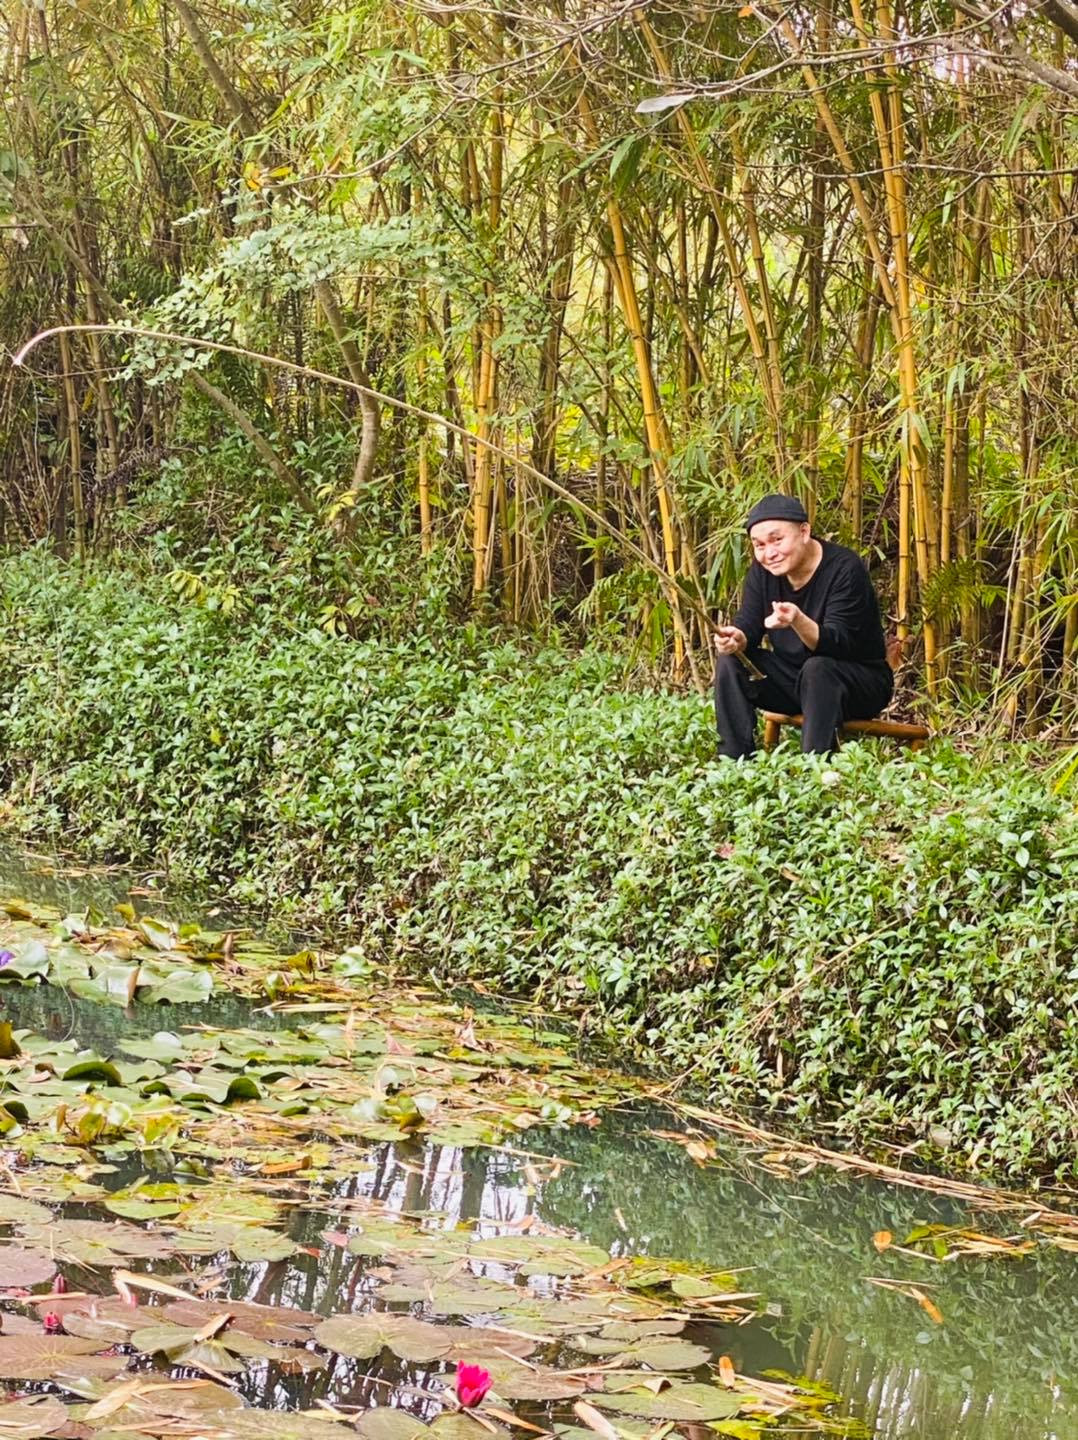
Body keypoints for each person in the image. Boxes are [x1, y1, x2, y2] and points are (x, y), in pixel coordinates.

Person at [713, 494, 893, 758]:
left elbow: (838, 642)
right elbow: (749, 623)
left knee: (818, 668)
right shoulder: (763, 571)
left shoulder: (844, 568)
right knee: (732, 660)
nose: (769, 553)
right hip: (796, 681)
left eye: (777, 540)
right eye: (759, 545)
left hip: (858, 684)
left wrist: (798, 620)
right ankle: (733, 761)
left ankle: (814, 767)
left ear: (804, 531)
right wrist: (736, 638)